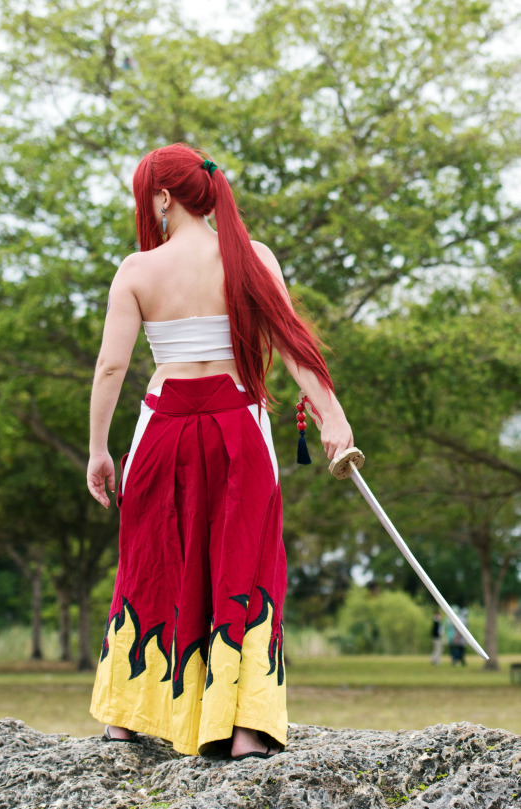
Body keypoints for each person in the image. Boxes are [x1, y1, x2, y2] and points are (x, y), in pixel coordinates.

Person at [86, 143, 353, 759]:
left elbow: (110, 368)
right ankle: (246, 730)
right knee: (247, 566)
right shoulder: (253, 258)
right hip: (240, 430)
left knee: (149, 559)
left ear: (162, 196)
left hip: (161, 433)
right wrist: (332, 415)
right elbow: (293, 348)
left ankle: (127, 718)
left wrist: (99, 449)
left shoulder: (137, 270)